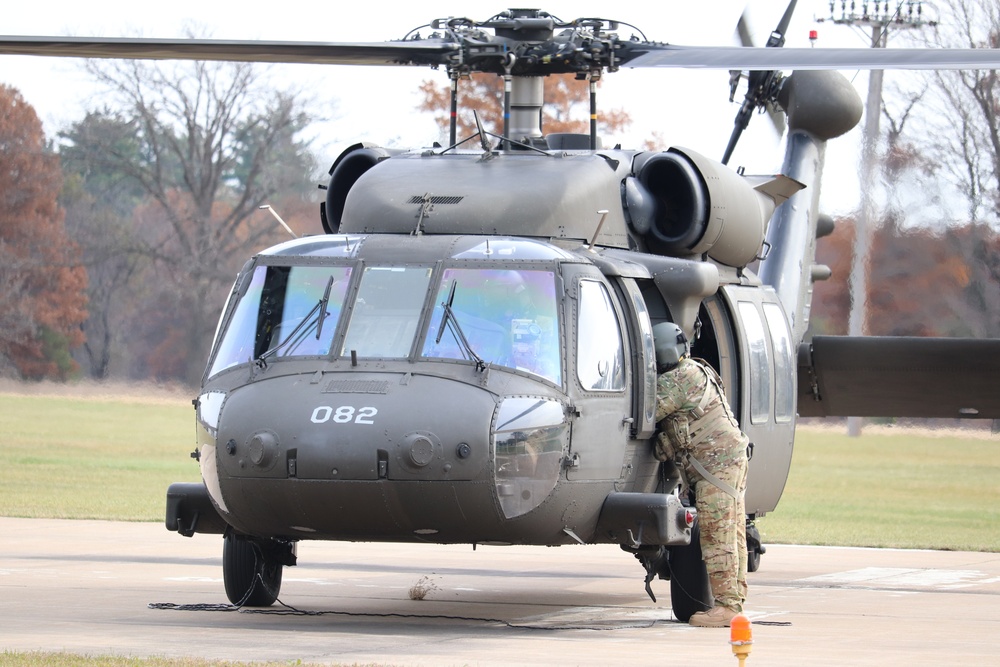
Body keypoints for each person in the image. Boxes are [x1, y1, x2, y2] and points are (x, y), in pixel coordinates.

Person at [652, 321, 749, 628]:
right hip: (729, 460)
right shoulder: (695, 369)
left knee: (717, 536)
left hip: (716, 466)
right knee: (732, 533)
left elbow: (643, 410)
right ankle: (733, 602)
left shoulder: (678, 379)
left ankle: (727, 608)